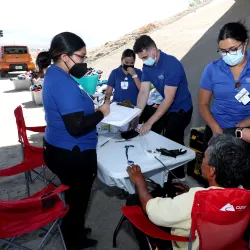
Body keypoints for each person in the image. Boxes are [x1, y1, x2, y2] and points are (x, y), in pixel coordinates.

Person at [41, 32, 110, 250]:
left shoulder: (55, 73)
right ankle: (74, 240)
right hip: (72, 152)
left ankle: (74, 228)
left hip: (57, 146)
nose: (84, 61)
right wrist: (102, 112)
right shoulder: (62, 82)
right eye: (80, 56)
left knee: (73, 197)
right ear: (64, 56)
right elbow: (76, 126)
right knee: (78, 200)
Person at [126, 134, 250, 250]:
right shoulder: (245, 194)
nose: (202, 161)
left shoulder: (195, 199)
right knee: (174, 188)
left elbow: (153, 211)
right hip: (224, 243)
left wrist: (140, 182)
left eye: (204, 158)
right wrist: (191, 193)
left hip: (189, 244)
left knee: (133, 201)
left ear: (212, 171)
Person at [133, 35, 193, 180]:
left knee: (173, 137)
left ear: (154, 50)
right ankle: (163, 167)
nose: (144, 61)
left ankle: (179, 175)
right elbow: (143, 92)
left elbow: (168, 99)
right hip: (167, 107)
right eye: (141, 59)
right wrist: (136, 116)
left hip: (181, 108)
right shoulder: (147, 66)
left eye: (145, 57)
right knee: (157, 134)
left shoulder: (172, 65)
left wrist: (149, 122)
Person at [199, 22, 250, 150]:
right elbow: (203, 104)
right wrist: (215, 128)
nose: (228, 54)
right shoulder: (212, 69)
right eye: (223, 51)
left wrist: (248, 123)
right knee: (211, 169)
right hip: (216, 129)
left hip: (245, 133)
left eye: (233, 49)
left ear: (245, 43)